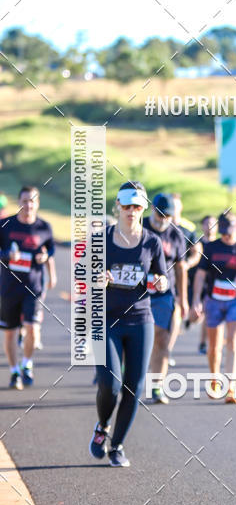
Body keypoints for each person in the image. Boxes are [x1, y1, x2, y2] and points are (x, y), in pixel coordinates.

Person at [90, 181, 168, 467]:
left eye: (137, 206)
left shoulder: (152, 241)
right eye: (127, 206)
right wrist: (97, 280)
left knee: (134, 386)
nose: (131, 211)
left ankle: (117, 446)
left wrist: (161, 282)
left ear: (143, 208)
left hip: (140, 319)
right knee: (109, 385)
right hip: (107, 320)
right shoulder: (102, 239)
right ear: (118, 207)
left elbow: (163, 276)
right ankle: (102, 427)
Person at [190, 212, 236, 404]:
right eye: (223, 232)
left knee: (233, 341)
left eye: (229, 232)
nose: (226, 236)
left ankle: (231, 388)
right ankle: (214, 379)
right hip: (214, 299)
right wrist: (196, 299)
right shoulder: (211, 247)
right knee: (214, 347)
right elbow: (201, 275)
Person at [0, 186, 56, 389]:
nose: (28, 205)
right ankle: (14, 371)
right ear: (18, 202)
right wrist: (7, 255)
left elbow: (50, 249)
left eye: (32, 201)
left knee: (32, 328)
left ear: (38, 203)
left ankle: (27, 364)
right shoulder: (5, 225)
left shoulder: (44, 227)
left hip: (33, 287)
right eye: (24, 201)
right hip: (8, 288)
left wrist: (47, 260)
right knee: (10, 332)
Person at [143, 194, 187, 404]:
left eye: (168, 215)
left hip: (164, 294)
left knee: (162, 338)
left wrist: (183, 299)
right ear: (152, 210)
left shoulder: (176, 235)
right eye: (160, 214)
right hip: (136, 292)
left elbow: (180, 268)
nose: (163, 219)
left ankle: (157, 386)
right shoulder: (139, 228)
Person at [168, 193, 201, 365]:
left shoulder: (188, 228)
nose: (173, 209)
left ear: (180, 207)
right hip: (158, 278)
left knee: (176, 316)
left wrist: (187, 264)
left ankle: (166, 351)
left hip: (180, 278)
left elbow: (197, 252)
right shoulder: (159, 224)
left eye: (176, 206)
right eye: (170, 206)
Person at [197, 215, 217, 355]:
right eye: (207, 224)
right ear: (202, 226)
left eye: (212, 224)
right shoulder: (197, 244)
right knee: (197, 316)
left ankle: (204, 343)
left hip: (214, 284)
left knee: (208, 313)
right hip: (198, 283)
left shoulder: (220, 245)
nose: (209, 227)